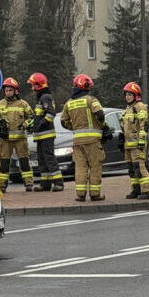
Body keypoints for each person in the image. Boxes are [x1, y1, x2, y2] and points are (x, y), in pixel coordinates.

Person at [60, 73, 110, 201]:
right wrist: (103, 127)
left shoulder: (69, 103)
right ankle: (95, 194)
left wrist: (75, 128)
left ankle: (80, 195)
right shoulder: (91, 100)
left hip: (78, 141)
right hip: (93, 141)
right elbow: (100, 115)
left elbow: (63, 121)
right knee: (95, 166)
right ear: (87, 86)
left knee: (80, 167)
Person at [0, 77, 35, 191]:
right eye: (6, 90)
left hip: (20, 138)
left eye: (10, 90)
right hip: (5, 140)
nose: (8, 92)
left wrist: (25, 124)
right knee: (4, 162)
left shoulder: (23, 104)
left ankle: (29, 184)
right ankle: (2, 185)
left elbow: (31, 117)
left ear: (15, 91)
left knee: (24, 161)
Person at [27, 72, 64, 191]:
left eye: (33, 85)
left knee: (49, 159)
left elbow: (51, 114)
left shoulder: (45, 97)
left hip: (46, 135)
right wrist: (32, 124)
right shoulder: (41, 98)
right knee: (42, 160)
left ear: (39, 85)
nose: (32, 88)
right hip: (41, 136)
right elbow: (39, 115)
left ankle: (58, 183)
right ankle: (45, 184)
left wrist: (40, 125)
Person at [120, 82, 149, 199]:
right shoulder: (128, 109)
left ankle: (147, 191)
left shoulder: (140, 107)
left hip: (137, 145)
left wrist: (142, 142)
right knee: (131, 170)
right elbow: (125, 127)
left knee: (139, 167)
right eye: (126, 95)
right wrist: (121, 139)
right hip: (128, 145)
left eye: (130, 94)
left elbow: (143, 126)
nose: (127, 97)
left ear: (136, 95)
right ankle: (136, 190)